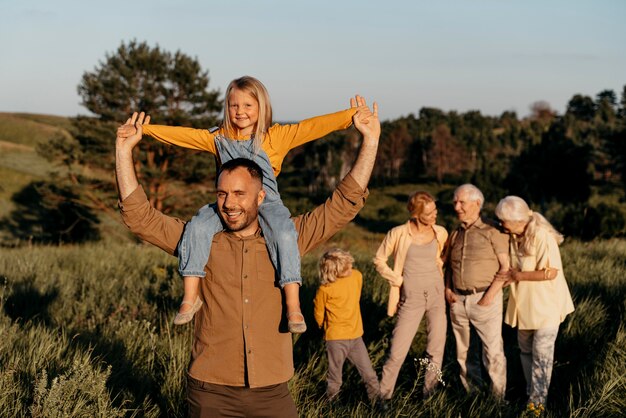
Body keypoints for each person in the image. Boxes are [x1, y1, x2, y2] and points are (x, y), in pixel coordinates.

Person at [115, 98, 380, 417]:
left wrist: (371, 141)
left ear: (261, 196)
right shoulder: (198, 239)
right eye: (222, 194)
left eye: (240, 194)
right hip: (210, 392)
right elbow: (139, 217)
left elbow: (344, 203)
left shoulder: (290, 237)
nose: (229, 203)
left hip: (272, 394)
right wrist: (123, 150)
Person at [117, 76, 359, 332]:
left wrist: (350, 115)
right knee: (197, 228)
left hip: (268, 202)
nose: (240, 112)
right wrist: (146, 130)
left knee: (286, 234)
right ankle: (190, 297)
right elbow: (184, 136)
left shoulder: (276, 137)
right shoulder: (218, 139)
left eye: (247, 106)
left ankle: (293, 305)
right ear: (227, 107)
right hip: (229, 202)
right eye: (234, 106)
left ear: (261, 107)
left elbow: (313, 127)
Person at [494, 196, 574, 412]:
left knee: (542, 353)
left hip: (546, 305)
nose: (500, 224)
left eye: (503, 220)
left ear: (517, 219)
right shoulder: (512, 236)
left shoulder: (542, 236)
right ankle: (532, 393)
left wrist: (518, 276)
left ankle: (537, 404)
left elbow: (551, 272)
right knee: (526, 351)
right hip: (524, 305)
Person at [373, 191, 448, 400]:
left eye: (435, 210)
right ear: (415, 214)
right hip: (411, 298)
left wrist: (439, 265)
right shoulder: (398, 233)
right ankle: (384, 398)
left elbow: (443, 256)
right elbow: (379, 259)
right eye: (429, 213)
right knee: (397, 351)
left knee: (436, 348)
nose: (435, 215)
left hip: (436, 296)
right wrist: (397, 280)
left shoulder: (440, 232)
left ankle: (429, 395)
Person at [444, 184, 510, 398]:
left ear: (477, 204)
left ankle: (497, 400)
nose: (457, 207)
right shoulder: (455, 233)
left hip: (485, 299)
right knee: (464, 353)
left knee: (492, 351)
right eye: (455, 202)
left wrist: (489, 296)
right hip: (458, 301)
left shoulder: (492, 231)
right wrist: (448, 289)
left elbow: (505, 268)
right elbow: (448, 266)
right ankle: (473, 396)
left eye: (461, 202)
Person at [313, 248, 381, 404]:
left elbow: (319, 314)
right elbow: (318, 312)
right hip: (335, 340)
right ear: (334, 271)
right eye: (347, 268)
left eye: (350, 265)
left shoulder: (357, 276)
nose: (351, 269)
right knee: (335, 379)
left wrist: (323, 325)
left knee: (369, 375)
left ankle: (379, 404)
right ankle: (331, 405)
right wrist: (325, 327)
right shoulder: (325, 289)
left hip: (356, 337)